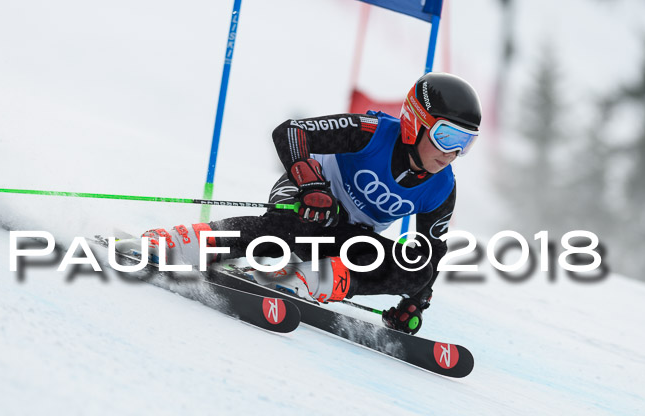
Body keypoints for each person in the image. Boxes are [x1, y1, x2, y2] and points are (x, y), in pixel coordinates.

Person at [117, 72, 482, 335]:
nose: (452, 153)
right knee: (300, 223)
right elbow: (290, 132)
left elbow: (430, 252)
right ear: (414, 123)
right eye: (446, 136)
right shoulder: (371, 132)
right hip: (305, 198)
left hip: (348, 235)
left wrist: (415, 301)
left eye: (465, 143)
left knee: (416, 269)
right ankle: (176, 243)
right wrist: (311, 184)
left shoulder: (441, 188)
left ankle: (303, 280)